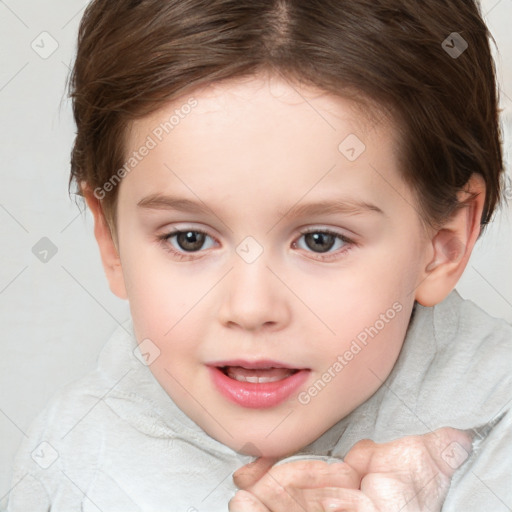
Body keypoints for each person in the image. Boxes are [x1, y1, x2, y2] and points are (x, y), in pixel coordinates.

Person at [4, 0, 511, 511]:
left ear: (444, 243)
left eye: (320, 240)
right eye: (190, 239)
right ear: (111, 239)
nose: (250, 308)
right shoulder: (73, 461)